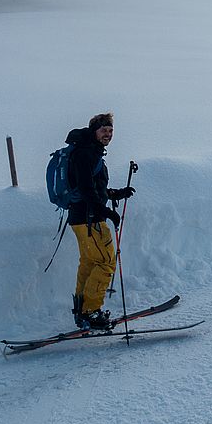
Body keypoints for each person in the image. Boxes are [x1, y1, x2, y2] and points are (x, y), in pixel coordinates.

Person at [65, 112, 135, 329]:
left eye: (111, 130)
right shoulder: (86, 154)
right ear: (94, 131)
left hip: (80, 218)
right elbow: (87, 190)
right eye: (104, 130)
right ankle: (91, 312)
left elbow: (93, 188)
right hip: (90, 220)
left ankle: (82, 311)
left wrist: (115, 194)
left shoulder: (86, 152)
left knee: (89, 263)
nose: (108, 134)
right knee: (106, 262)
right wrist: (106, 212)